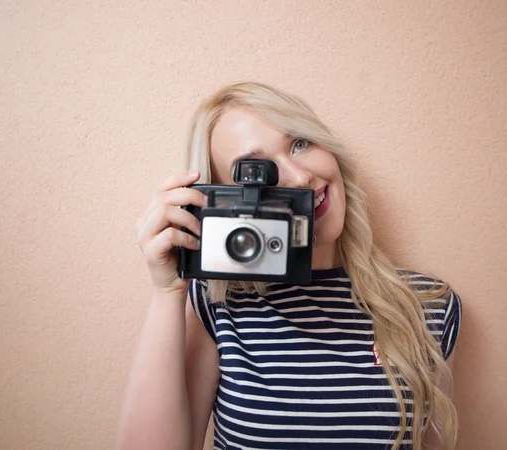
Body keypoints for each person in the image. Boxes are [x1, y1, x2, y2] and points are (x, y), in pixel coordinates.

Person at [117, 82, 462, 450]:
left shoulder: (427, 307)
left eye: (300, 143)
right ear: (229, 201)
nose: (299, 178)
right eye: (256, 168)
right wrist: (167, 291)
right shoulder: (217, 307)